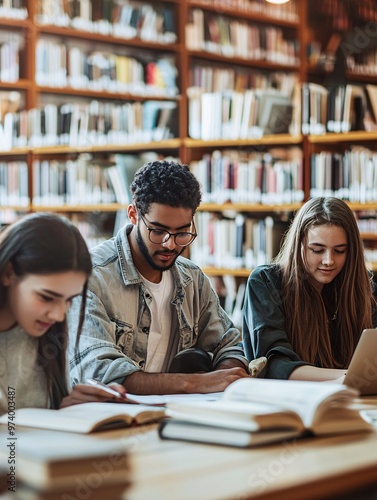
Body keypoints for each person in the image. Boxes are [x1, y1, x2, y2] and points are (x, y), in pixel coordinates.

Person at [68, 160, 250, 394]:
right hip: (105, 418)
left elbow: (231, 345)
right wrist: (195, 384)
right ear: (133, 215)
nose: (170, 244)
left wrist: (225, 377)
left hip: (174, 414)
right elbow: (101, 373)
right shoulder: (92, 278)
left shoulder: (193, 279)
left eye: (182, 232)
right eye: (158, 231)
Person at [0, 212, 127, 414]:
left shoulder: (47, 332)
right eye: (46, 297)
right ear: (8, 273)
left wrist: (67, 406)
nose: (58, 316)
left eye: (68, 299)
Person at [242, 196, 377, 382]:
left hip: (348, 402)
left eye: (339, 251)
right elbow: (274, 366)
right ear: (300, 246)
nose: (329, 260)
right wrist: (351, 377)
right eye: (317, 250)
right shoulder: (266, 282)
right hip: (287, 403)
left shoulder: (361, 289)